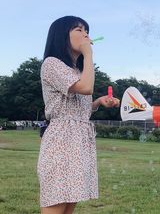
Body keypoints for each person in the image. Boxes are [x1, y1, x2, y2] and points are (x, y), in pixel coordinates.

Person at [37, 16, 120, 214]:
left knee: (69, 204)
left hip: (79, 142)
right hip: (61, 142)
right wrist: (89, 54)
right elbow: (85, 86)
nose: (85, 34)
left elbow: (76, 108)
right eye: (78, 29)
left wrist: (98, 102)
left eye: (86, 30)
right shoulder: (51, 63)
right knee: (56, 201)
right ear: (61, 36)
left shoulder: (75, 70)